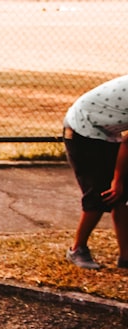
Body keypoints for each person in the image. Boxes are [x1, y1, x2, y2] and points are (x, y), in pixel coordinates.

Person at [62, 74, 128, 270]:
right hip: (83, 129)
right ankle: (77, 249)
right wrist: (117, 179)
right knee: (100, 193)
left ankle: (126, 257)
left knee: (122, 195)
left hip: (105, 132)